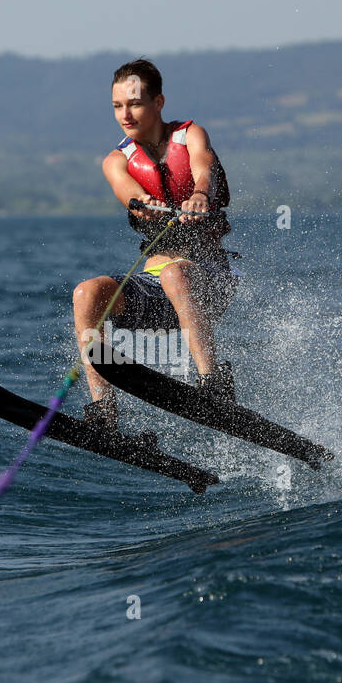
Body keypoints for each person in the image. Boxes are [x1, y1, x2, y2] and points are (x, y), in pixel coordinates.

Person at [73, 58, 239, 432]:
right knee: (87, 293)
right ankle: (105, 414)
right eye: (117, 106)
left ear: (159, 103)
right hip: (155, 291)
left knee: (177, 273)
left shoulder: (191, 135)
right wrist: (141, 202)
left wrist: (199, 194)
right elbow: (126, 189)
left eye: (134, 103)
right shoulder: (116, 161)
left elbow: (204, 165)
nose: (125, 114)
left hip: (209, 282)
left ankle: (215, 384)